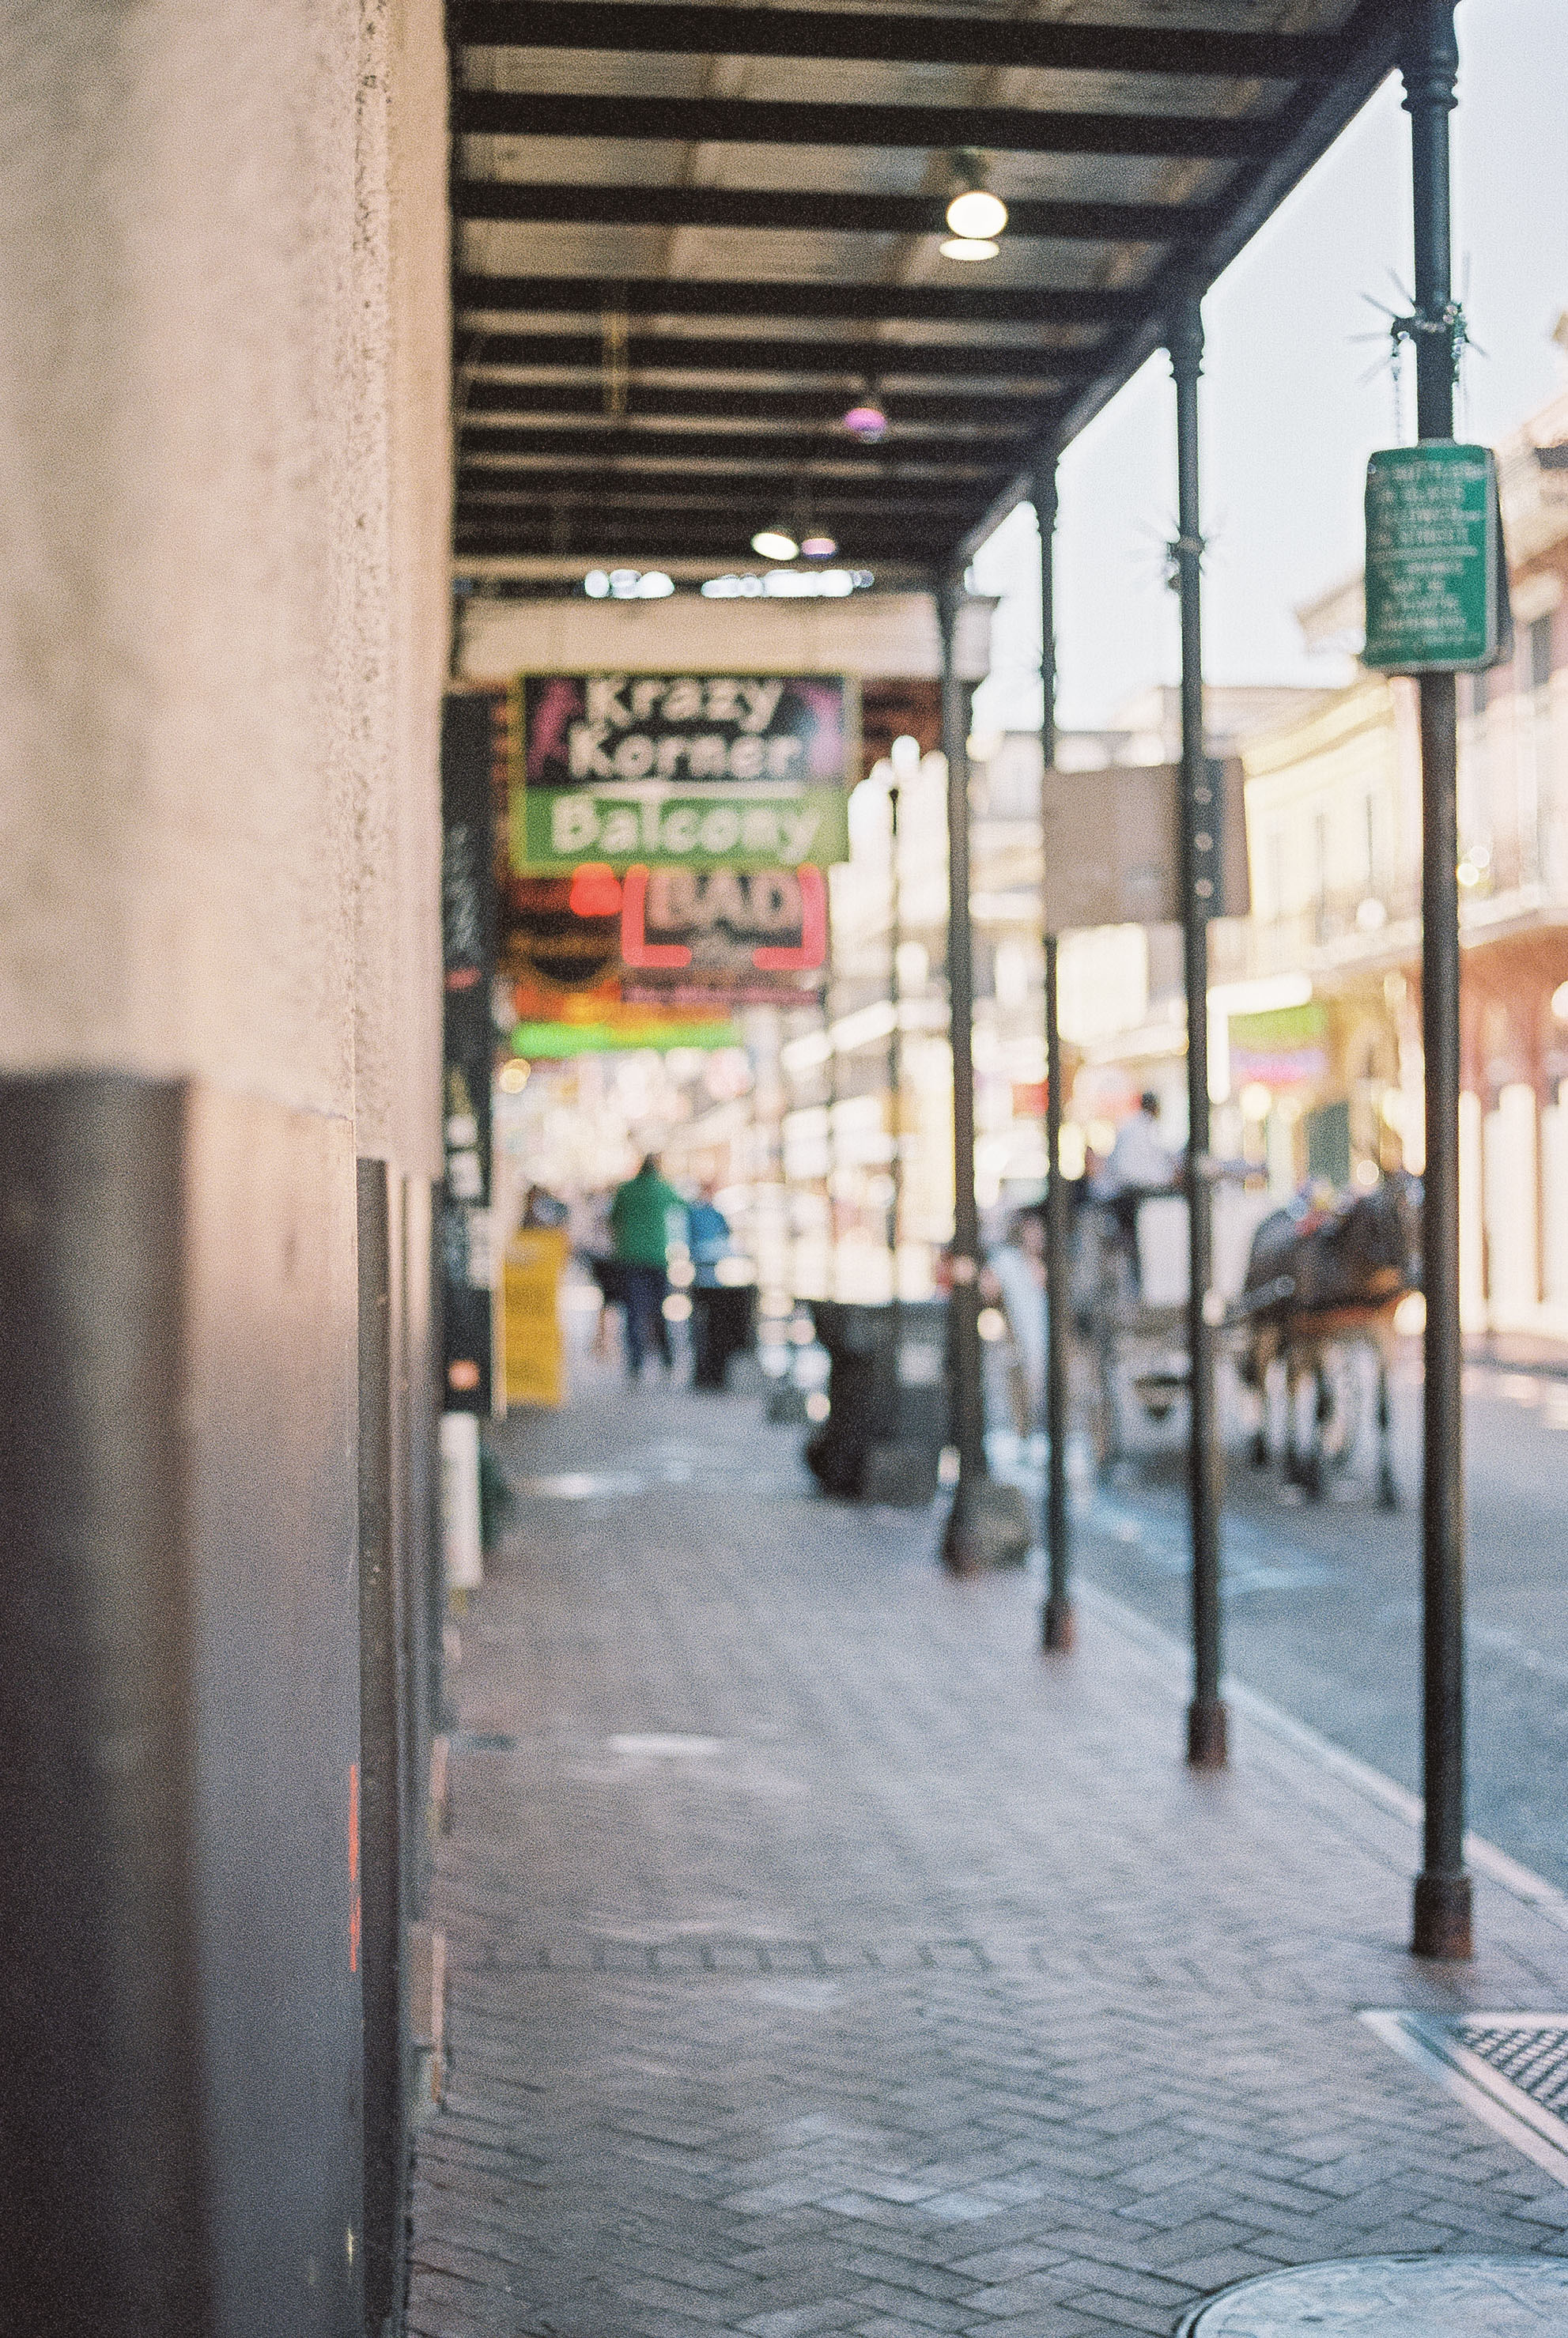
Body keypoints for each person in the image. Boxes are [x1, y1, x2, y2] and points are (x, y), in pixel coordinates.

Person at [610, 1153, 686, 1382]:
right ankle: (667, 1359)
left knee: (633, 1311)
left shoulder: (626, 1191)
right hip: (656, 1258)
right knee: (659, 1310)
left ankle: (636, 1362)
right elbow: (683, 1205)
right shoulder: (663, 1189)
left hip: (629, 1257)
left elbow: (613, 1219)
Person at [686, 1180, 735, 1389]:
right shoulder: (695, 1213)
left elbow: (727, 1236)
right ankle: (703, 1372)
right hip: (701, 1278)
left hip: (715, 1279)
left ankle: (712, 1373)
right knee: (701, 1325)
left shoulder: (717, 1214)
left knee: (713, 1325)